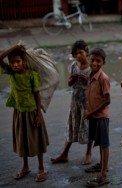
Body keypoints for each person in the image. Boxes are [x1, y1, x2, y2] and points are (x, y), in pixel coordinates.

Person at [0, 44, 49, 182]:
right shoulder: (10, 72)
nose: (15, 65)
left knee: (37, 139)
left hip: (33, 111)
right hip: (19, 112)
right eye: (12, 62)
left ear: (24, 61)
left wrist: (39, 114)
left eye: (18, 61)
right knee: (22, 140)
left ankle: (41, 168)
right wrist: (15, 47)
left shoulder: (32, 75)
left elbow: (37, 94)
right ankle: (25, 167)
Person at [51, 40, 93, 165]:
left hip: (87, 103)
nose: (78, 56)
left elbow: (94, 87)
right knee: (72, 126)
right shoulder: (73, 66)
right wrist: (73, 79)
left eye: (80, 52)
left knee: (87, 126)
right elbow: (69, 83)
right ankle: (64, 153)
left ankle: (88, 153)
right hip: (75, 102)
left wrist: (87, 81)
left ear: (86, 51)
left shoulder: (92, 67)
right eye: (76, 54)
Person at [85, 47, 111, 187]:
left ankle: (103, 175)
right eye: (92, 60)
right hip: (94, 115)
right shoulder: (90, 75)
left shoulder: (103, 78)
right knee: (100, 143)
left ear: (103, 62)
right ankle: (102, 165)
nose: (95, 63)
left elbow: (107, 100)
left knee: (104, 144)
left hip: (101, 116)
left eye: (98, 61)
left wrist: (92, 112)